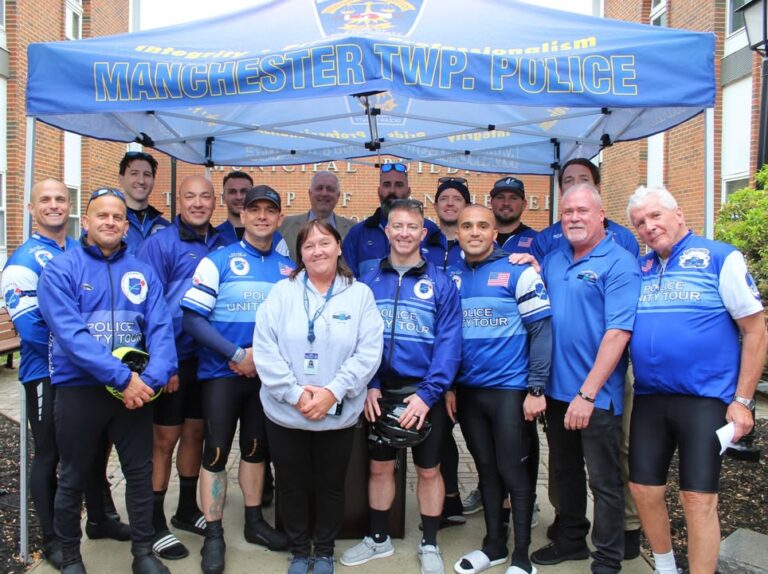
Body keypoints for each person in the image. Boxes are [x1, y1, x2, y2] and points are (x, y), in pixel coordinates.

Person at [626, 186, 767, 574]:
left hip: (705, 399)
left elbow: (755, 330)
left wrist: (743, 400)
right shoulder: (641, 268)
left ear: (679, 214)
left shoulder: (719, 257)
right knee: (643, 488)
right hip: (652, 398)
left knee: (698, 499)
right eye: (640, 223)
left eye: (655, 216)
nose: (649, 227)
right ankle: (667, 566)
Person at [37, 187, 177, 574]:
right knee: (74, 475)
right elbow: (72, 335)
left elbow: (162, 330)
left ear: (126, 225)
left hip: (135, 392)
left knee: (139, 473)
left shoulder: (143, 272)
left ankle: (143, 554)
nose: (111, 222)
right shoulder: (62, 269)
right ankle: (70, 557)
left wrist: (150, 379)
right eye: (102, 216)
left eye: (118, 217)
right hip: (81, 390)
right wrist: (123, 379)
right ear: (86, 220)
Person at [1, 179, 131, 568]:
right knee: (51, 453)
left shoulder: (79, 250)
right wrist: (87, 360)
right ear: (30, 209)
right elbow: (33, 332)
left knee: (91, 447)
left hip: (91, 372)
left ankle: (101, 517)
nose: (55, 206)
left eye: (61, 199)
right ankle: (53, 539)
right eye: (46, 200)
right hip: (48, 373)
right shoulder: (23, 262)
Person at [252, 219, 384, 574]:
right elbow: (265, 349)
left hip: (337, 412)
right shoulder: (281, 293)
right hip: (285, 412)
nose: (317, 251)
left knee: (330, 485)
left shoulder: (360, 295)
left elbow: (368, 352)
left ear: (339, 247)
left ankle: (324, 550)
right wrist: (296, 395)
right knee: (292, 485)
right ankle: (299, 550)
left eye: (324, 243)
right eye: (308, 246)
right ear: (300, 254)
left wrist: (331, 392)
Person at [341, 199, 462, 574]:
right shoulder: (367, 280)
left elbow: (449, 346)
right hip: (380, 391)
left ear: (423, 233)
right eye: (398, 226)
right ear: (387, 231)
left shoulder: (441, 284)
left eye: (412, 227)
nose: (405, 233)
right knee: (380, 469)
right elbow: (358, 339)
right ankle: (378, 540)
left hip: (424, 393)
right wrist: (370, 385)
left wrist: (428, 396)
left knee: (429, 471)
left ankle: (429, 543)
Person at [530, 158, 642, 558]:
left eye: (582, 211)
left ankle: (609, 555)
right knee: (565, 472)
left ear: (601, 215)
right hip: (558, 393)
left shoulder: (620, 263)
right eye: (567, 212)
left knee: (605, 480)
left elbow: (618, 333)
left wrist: (588, 393)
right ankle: (571, 540)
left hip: (596, 396)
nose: (574, 218)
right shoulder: (556, 258)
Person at [181, 185, 290, 574]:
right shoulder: (218, 260)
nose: (262, 216)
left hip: (265, 377)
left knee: (256, 450)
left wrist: (264, 360)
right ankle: (213, 533)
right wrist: (237, 354)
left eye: (269, 210)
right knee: (215, 452)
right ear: (241, 216)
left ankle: (254, 522)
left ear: (279, 218)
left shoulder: (286, 267)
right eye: (254, 209)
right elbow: (192, 319)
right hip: (222, 374)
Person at [448, 205, 551, 574]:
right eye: (466, 225)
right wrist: (449, 387)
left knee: (513, 471)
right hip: (470, 393)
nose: (474, 232)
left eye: (482, 225)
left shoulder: (519, 272)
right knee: (486, 470)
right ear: (456, 232)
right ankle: (493, 546)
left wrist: (536, 389)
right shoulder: (451, 276)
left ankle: (521, 555)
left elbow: (541, 331)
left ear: (495, 233)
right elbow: (448, 339)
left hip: (510, 391)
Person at [136, 175, 228, 560]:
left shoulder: (223, 243)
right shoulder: (160, 243)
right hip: (172, 360)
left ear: (214, 202)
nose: (197, 203)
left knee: (195, 434)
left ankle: (187, 510)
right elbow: (147, 306)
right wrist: (162, 364)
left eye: (204, 197)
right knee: (164, 440)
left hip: (206, 361)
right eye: (189, 196)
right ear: (179, 200)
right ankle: (155, 522)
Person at [342, 163, 440, 277]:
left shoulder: (430, 230)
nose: (392, 191)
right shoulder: (358, 233)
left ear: (408, 191)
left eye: (399, 185)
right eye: (387, 185)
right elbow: (347, 282)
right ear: (379, 191)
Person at [279, 171, 356, 262]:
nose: (324, 193)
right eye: (319, 188)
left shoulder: (354, 229)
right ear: (310, 193)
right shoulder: (284, 226)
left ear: (338, 195)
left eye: (330, 189)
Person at [118, 151, 170, 252]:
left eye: (147, 174)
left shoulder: (166, 228)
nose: (141, 181)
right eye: (134, 174)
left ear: (153, 181)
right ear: (121, 179)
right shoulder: (107, 225)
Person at [422, 177, 470, 271]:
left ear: (467, 206)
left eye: (457, 199)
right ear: (435, 206)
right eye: (444, 199)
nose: (450, 203)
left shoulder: (477, 244)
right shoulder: (422, 244)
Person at [489, 177, 537, 253]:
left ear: (523, 204)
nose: (506, 203)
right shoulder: (479, 237)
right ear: (491, 203)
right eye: (500, 197)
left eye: (513, 198)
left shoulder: (538, 240)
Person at [215, 170, 253, 244]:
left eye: (244, 191)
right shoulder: (213, 236)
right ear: (223, 197)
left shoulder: (266, 236)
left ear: (253, 196)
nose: (239, 197)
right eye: (232, 191)